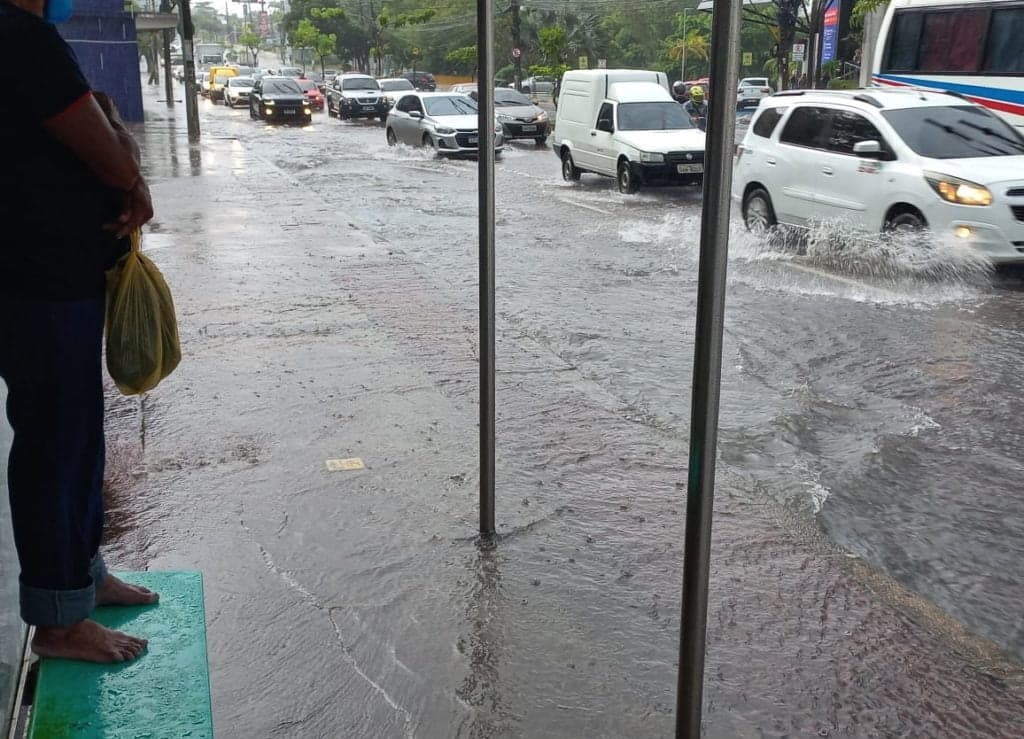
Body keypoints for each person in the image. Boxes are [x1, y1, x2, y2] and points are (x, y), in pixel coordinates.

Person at [0, 0, 158, 663]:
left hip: (52, 278)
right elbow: (109, 151)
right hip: (39, 281)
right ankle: (60, 620)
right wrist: (129, 169)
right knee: (54, 441)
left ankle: (83, 578)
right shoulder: (19, 36)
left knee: (76, 434)